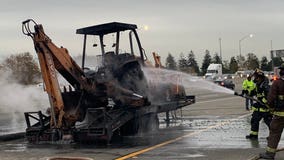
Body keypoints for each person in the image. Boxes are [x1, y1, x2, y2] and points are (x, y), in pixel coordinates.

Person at [259, 64, 284, 159]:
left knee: (274, 133)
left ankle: (270, 154)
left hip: (280, 115)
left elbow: (270, 99)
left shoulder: (277, 83)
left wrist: (271, 108)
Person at [246, 68, 272, 140]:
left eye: (255, 76)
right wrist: (246, 93)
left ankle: (273, 136)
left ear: (259, 77)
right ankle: (253, 135)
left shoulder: (265, 85)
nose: (254, 78)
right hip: (259, 108)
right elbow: (253, 92)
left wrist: (264, 102)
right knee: (254, 120)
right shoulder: (258, 84)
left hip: (266, 108)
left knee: (269, 123)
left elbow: (269, 96)